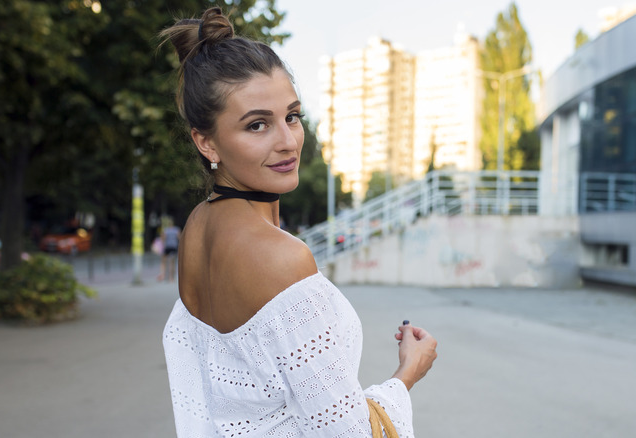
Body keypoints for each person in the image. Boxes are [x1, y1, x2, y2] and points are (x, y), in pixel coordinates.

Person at [160, 7, 437, 437]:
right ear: (206, 141)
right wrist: (407, 374)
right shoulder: (280, 258)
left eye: (292, 116)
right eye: (257, 125)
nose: (288, 142)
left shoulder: (198, 227)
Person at [160, 217, 180, 282]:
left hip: (167, 247)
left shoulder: (166, 230)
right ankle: (171, 277)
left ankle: (163, 275)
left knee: (163, 262)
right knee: (173, 262)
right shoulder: (176, 229)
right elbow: (179, 238)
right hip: (174, 247)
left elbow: (163, 239)